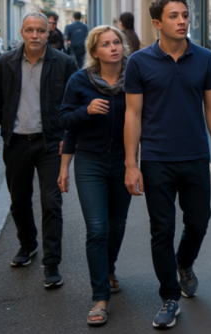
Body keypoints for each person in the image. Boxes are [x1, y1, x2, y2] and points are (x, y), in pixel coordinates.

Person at [123, 0, 211, 329]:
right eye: (173, 16)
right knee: (161, 230)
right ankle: (169, 296)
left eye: (184, 15)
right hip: (156, 159)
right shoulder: (138, 62)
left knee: (198, 221)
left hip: (196, 155)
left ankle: (184, 263)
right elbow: (133, 114)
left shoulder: (204, 58)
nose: (182, 21)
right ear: (157, 23)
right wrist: (131, 163)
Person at [0, 13, 78, 288]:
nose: (35, 35)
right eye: (29, 30)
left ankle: (51, 263)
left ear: (49, 33)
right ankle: (28, 244)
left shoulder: (65, 63)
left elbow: (74, 105)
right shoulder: (5, 62)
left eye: (40, 31)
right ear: (21, 33)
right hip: (17, 142)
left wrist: (68, 138)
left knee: (51, 203)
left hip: (51, 144)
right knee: (19, 201)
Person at [58, 25, 132, 326]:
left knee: (117, 225)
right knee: (97, 229)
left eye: (117, 42)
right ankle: (100, 296)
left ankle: (109, 268)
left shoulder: (135, 78)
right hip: (89, 162)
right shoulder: (80, 80)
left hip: (124, 162)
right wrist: (85, 110)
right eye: (106, 44)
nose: (113, 48)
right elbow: (65, 121)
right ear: (94, 52)